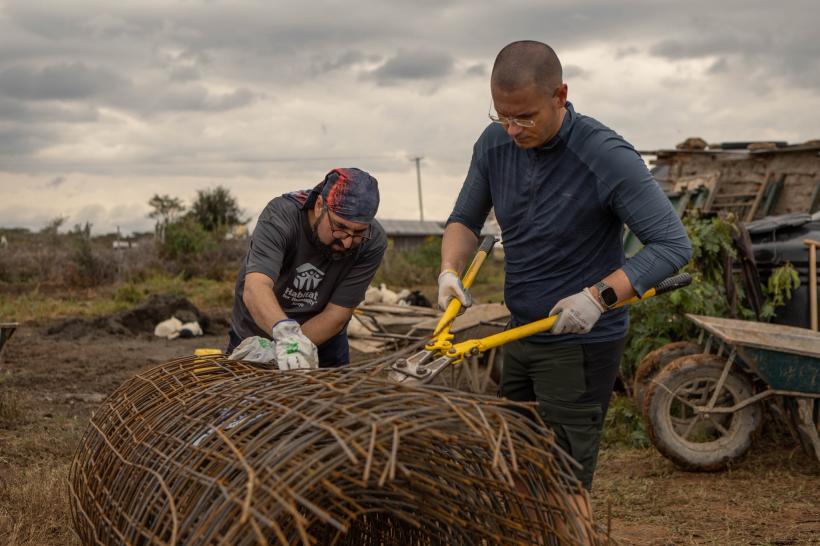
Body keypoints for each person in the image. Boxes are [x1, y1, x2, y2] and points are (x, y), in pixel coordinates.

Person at [438, 41, 692, 504]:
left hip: (580, 343)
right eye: (502, 116)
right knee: (513, 458)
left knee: (563, 478)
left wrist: (599, 297)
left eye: (526, 117)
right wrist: (449, 270)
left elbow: (673, 246)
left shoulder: (606, 155)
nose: (512, 129)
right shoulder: (495, 144)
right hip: (520, 334)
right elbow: (464, 219)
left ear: (560, 96)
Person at [228, 167, 386, 370]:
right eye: (340, 227)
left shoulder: (373, 241)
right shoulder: (281, 216)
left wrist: (294, 347)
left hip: (321, 342)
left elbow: (337, 314)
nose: (347, 242)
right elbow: (255, 287)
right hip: (256, 339)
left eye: (358, 233)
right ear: (320, 205)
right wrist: (283, 337)